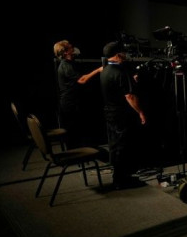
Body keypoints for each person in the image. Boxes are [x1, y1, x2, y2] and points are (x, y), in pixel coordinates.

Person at [100, 41, 147, 190]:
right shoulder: (120, 72)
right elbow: (130, 97)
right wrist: (140, 112)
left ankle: (120, 176)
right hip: (120, 115)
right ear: (118, 54)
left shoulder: (106, 70)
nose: (125, 55)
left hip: (110, 113)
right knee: (123, 146)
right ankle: (120, 180)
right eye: (123, 52)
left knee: (115, 145)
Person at [53, 40, 103, 148]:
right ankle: (77, 155)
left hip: (73, 101)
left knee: (79, 130)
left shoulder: (70, 63)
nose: (73, 48)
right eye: (70, 47)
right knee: (74, 131)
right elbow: (82, 80)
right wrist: (98, 70)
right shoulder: (66, 66)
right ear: (65, 52)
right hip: (69, 103)